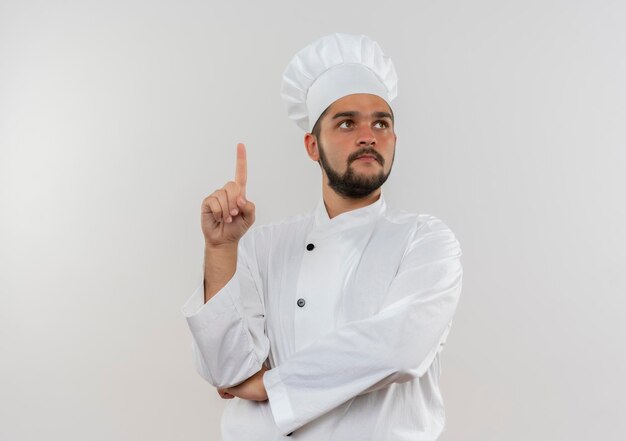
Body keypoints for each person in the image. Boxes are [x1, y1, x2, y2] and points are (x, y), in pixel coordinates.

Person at [181, 33, 463, 440]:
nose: (368, 135)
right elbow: (224, 371)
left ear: (393, 141)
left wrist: (269, 386)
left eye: (381, 123)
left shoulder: (426, 242)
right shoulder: (263, 246)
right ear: (313, 146)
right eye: (347, 122)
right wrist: (221, 249)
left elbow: (398, 348)